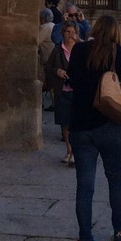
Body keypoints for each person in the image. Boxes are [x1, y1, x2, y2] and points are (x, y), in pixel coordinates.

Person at [67, 14, 121, 241]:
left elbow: (72, 79)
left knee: (84, 185)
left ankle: (86, 240)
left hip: (80, 125)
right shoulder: (115, 52)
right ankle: (120, 230)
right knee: (115, 178)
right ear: (115, 32)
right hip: (109, 125)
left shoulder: (78, 50)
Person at [45, 21, 80, 164]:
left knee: (76, 123)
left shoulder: (81, 49)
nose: (71, 35)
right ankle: (69, 150)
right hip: (62, 91)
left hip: (78, 92)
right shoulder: (57, 50)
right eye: (68, 32)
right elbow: (48, 68)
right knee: (65, 123)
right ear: (63, 33)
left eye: (73, 32)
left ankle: (74, 151)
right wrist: (57, 71)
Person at [39, 8, 56, 110]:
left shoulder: (44, 27)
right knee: (50, 82)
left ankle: (41, 102)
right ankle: (54, 103)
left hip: (46, 58)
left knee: (43, 81)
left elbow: (37, 40)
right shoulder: (53, 25)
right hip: (52, 57)